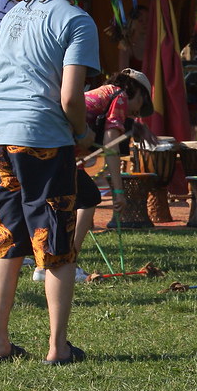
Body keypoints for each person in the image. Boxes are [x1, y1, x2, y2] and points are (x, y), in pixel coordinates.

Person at [0, 0, 99, 365]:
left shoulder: (13, 13)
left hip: (0, 137)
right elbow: (72, 98)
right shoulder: (76, 19)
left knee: (7, 239)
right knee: (55, 242)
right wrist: (83, 133)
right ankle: (58, 347)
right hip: (43, 138)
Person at [66, 69, 156, 282]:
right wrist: (117, 191)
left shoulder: (107, 93)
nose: (136, 114)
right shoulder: (121, 96)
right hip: (59, 150)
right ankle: (67, 263)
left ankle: (42, 262)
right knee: (89, 199)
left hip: (54, 148)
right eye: (141, 107)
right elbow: (111, 147)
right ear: (139, 94)